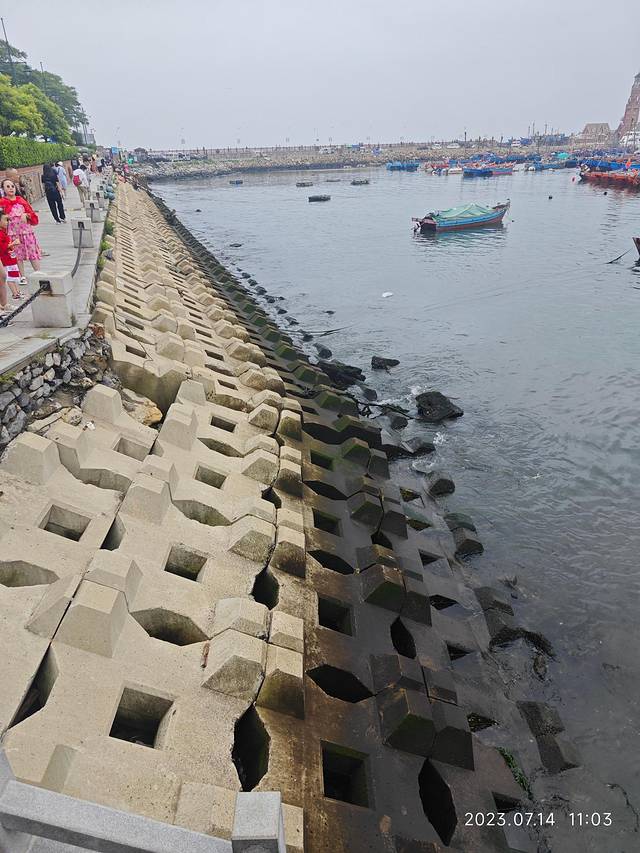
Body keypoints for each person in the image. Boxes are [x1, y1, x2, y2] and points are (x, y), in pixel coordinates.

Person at [0, 178, 41, 282]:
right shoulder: (2, 203)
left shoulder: (21, 200)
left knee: (33, 253)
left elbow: (33, 215)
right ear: (3, 189)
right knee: (17, 256)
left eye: (12, 186)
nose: (11, 188)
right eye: (7, 186)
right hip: (12, 234)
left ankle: (39, 273)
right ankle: (22, 276)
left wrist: (27, 215)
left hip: (27, 233)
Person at [0, 210, 23, 309]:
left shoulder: (3, 232)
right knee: (7, 277)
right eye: (6, 220)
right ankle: (13, 295)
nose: (8, 222)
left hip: (9, 258)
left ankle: (4, 303)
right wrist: (12, 244)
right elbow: (2, 247)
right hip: (5, 260)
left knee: (6, 276)